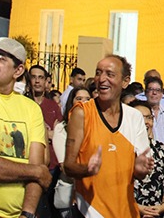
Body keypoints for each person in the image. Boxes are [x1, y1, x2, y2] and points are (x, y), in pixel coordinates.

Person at [0, 37, 51, 218]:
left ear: (18, 70)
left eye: (0, 58)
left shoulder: (32, 109)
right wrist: (36, 171)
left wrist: (27, 213)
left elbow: (37, 165)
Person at [63, 55, 154, 218]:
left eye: (110, 74)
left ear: (125, 82)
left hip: (126, 212)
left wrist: (140, 169)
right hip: (89, 212)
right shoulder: (82, 113)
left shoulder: (134, 117)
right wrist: (87, 169)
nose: (102, 79)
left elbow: (140, 171)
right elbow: (68, 166)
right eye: (98, 73)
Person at [29, 64, 64, 218]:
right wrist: (46, 133)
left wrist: (53, 134)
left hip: (52, 165)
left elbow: (59, 133)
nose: (37, 81)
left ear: (46, 81)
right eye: (33, 77)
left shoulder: (53, 106)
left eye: (41, 77)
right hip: (29, 164)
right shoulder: (22, 103)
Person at [52, 86, 91, 217]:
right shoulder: (61, 129)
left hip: (92, 197)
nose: (83, 102)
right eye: (79, 99)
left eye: (87, 99)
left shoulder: (96, 129)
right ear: (72, 102)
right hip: (70, 196)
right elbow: (65, 166)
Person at [131, 100, 164, 218]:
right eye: (139, 118)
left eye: (148, 118)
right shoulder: (120, 149)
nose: (145, 122)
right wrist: (138, 207)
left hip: (159, 214)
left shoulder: (160, 149)